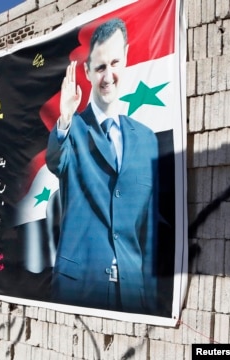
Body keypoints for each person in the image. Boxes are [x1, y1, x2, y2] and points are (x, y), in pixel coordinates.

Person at [46, 18, 159, 313]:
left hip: (132, 293)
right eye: (99, 68)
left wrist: (151, 297)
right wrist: (66, 119)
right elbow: (55, 161)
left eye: (114, 63)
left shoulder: (147, 139)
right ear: (87, 72)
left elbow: (148, 229)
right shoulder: (74, 130)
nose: (108, 76)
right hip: (78, 287)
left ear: (126, 59)